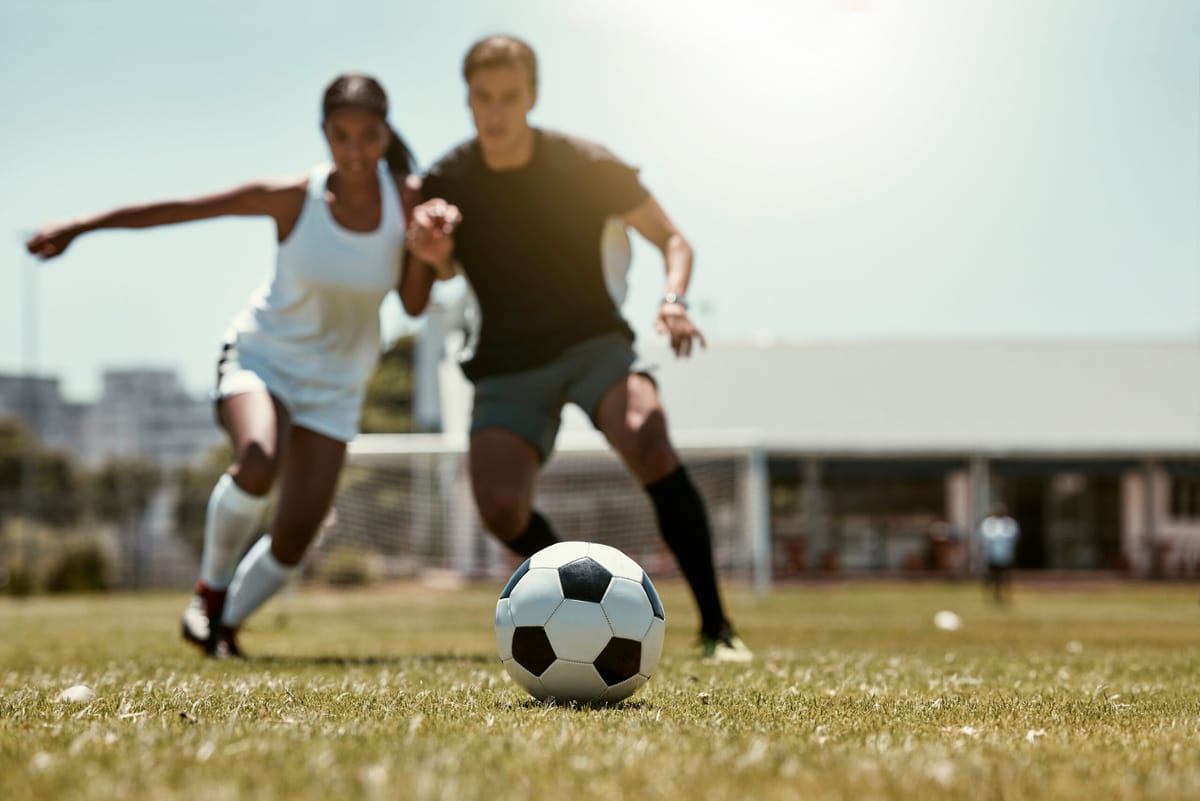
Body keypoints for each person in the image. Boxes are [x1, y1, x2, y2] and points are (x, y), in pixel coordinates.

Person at [27, 74, 443, 657]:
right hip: (262, 359)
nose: (354, 151)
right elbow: (186, 209)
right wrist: (84, 225)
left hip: (337, 387)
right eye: (341, 135)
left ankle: (219, 629)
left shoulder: (409, 199)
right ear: (324, 134)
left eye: (367, 136)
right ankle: (208, 592)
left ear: (386, 133)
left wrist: (429, 255)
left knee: (295, 538)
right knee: (257, 459)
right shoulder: (294, 196)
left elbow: (415, 303)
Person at [401, 35, 752, 662]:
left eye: (510, 96)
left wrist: (673, 301)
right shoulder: (449, 180)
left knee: (647, 434)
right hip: (508, 362)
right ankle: (574, 592)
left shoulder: (585, 166)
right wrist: (428, 255)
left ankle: (717, 628)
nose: (496, 111)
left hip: (592, 341)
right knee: (500, 508)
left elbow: (674, 240)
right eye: (483, 97)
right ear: (468, 100)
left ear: (531, 95)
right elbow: (435, 275)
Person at [978, 502, 1020, 604]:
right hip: (991, 554)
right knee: (991, 576)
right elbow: (983, 537)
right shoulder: (988, 523)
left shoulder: (1010, 523)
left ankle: (1005, 596)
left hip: (1006, 555)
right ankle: (991, 596)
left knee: (1005, 577)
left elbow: (1014, 536)